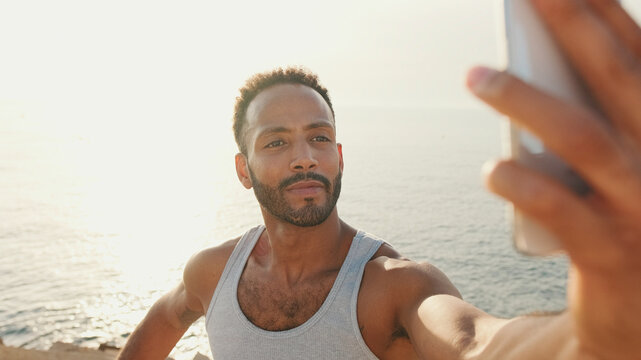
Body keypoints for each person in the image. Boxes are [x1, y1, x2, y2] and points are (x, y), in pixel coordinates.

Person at [118, 0, 641, 358]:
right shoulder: (212, 273)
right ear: (243, 170)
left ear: (339, 158)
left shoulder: (394, 286)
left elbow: (477, 343)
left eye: (319, 138)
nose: (304, 157)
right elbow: (165, 318)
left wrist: (592, 337)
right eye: (276, 142)